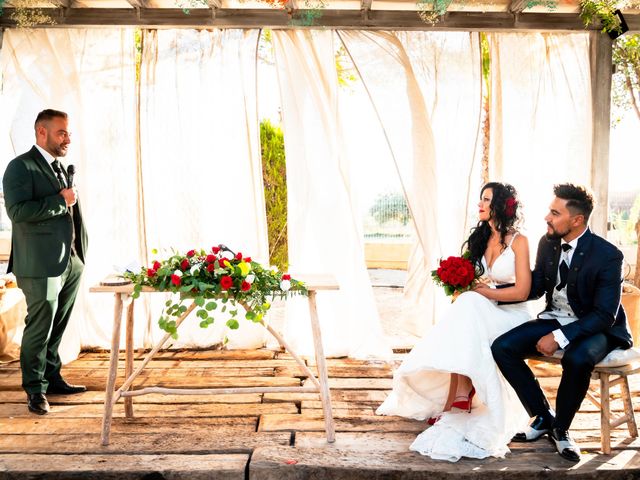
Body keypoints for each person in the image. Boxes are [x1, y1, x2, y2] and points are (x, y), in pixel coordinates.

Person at [377, 182, 532, 461]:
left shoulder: (519, 241)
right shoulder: (480, 239)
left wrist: (482, 292)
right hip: (482, 310)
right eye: (481, 199)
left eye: (486, 200)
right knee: (466, 305)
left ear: (501, 206)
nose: (480, 205)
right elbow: (470, 285)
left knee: (470, 304)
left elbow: (522, 291)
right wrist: (463, 287)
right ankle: (458, 398)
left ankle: (458, 399)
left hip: (513, 314)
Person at [492, 183, 631, 462]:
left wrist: (560, 337)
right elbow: (538, 286)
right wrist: (491, 294)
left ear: (577, 220)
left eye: (555, 213)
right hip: (556, 317)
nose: (547, 218)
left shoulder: (608, 255)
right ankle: (543, 416)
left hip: (598, 327)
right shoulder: (548, 242)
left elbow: (605, 314)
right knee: (503, 347)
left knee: (577, 359)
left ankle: (562, 428)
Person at [3, 109, 89, 415]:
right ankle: (35, 389)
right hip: (40, 264)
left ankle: (52, 377)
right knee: (39, 326)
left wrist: (77, 253)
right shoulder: (20, 167)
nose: (67, 138)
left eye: (68, 132)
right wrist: (60, 201)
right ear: (42, 132)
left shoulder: (58, 166)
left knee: (59, 323)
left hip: (70, 259)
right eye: (61, 133)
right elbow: (18, 212)